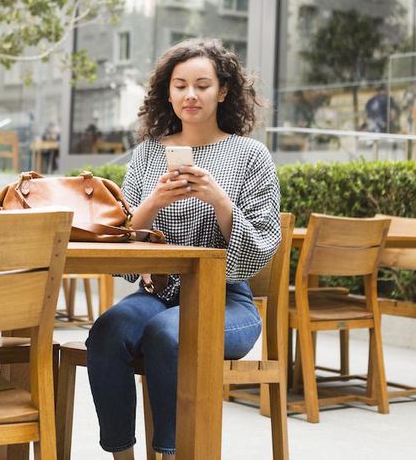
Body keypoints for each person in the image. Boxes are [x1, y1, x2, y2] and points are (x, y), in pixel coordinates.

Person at [85, 39, 281, 460]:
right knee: (107, 330)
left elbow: (261, 250)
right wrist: (152, 204)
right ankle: (122, 455)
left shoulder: (251, 155)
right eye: (180, 85)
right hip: (155, 296)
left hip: (227, 303)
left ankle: (172, 454)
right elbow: (121, 249)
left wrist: (220, 201)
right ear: (167, 92)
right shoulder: (147, 156)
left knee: (166, 334)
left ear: (223, 91)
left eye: (202, 85)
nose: (190, 95)